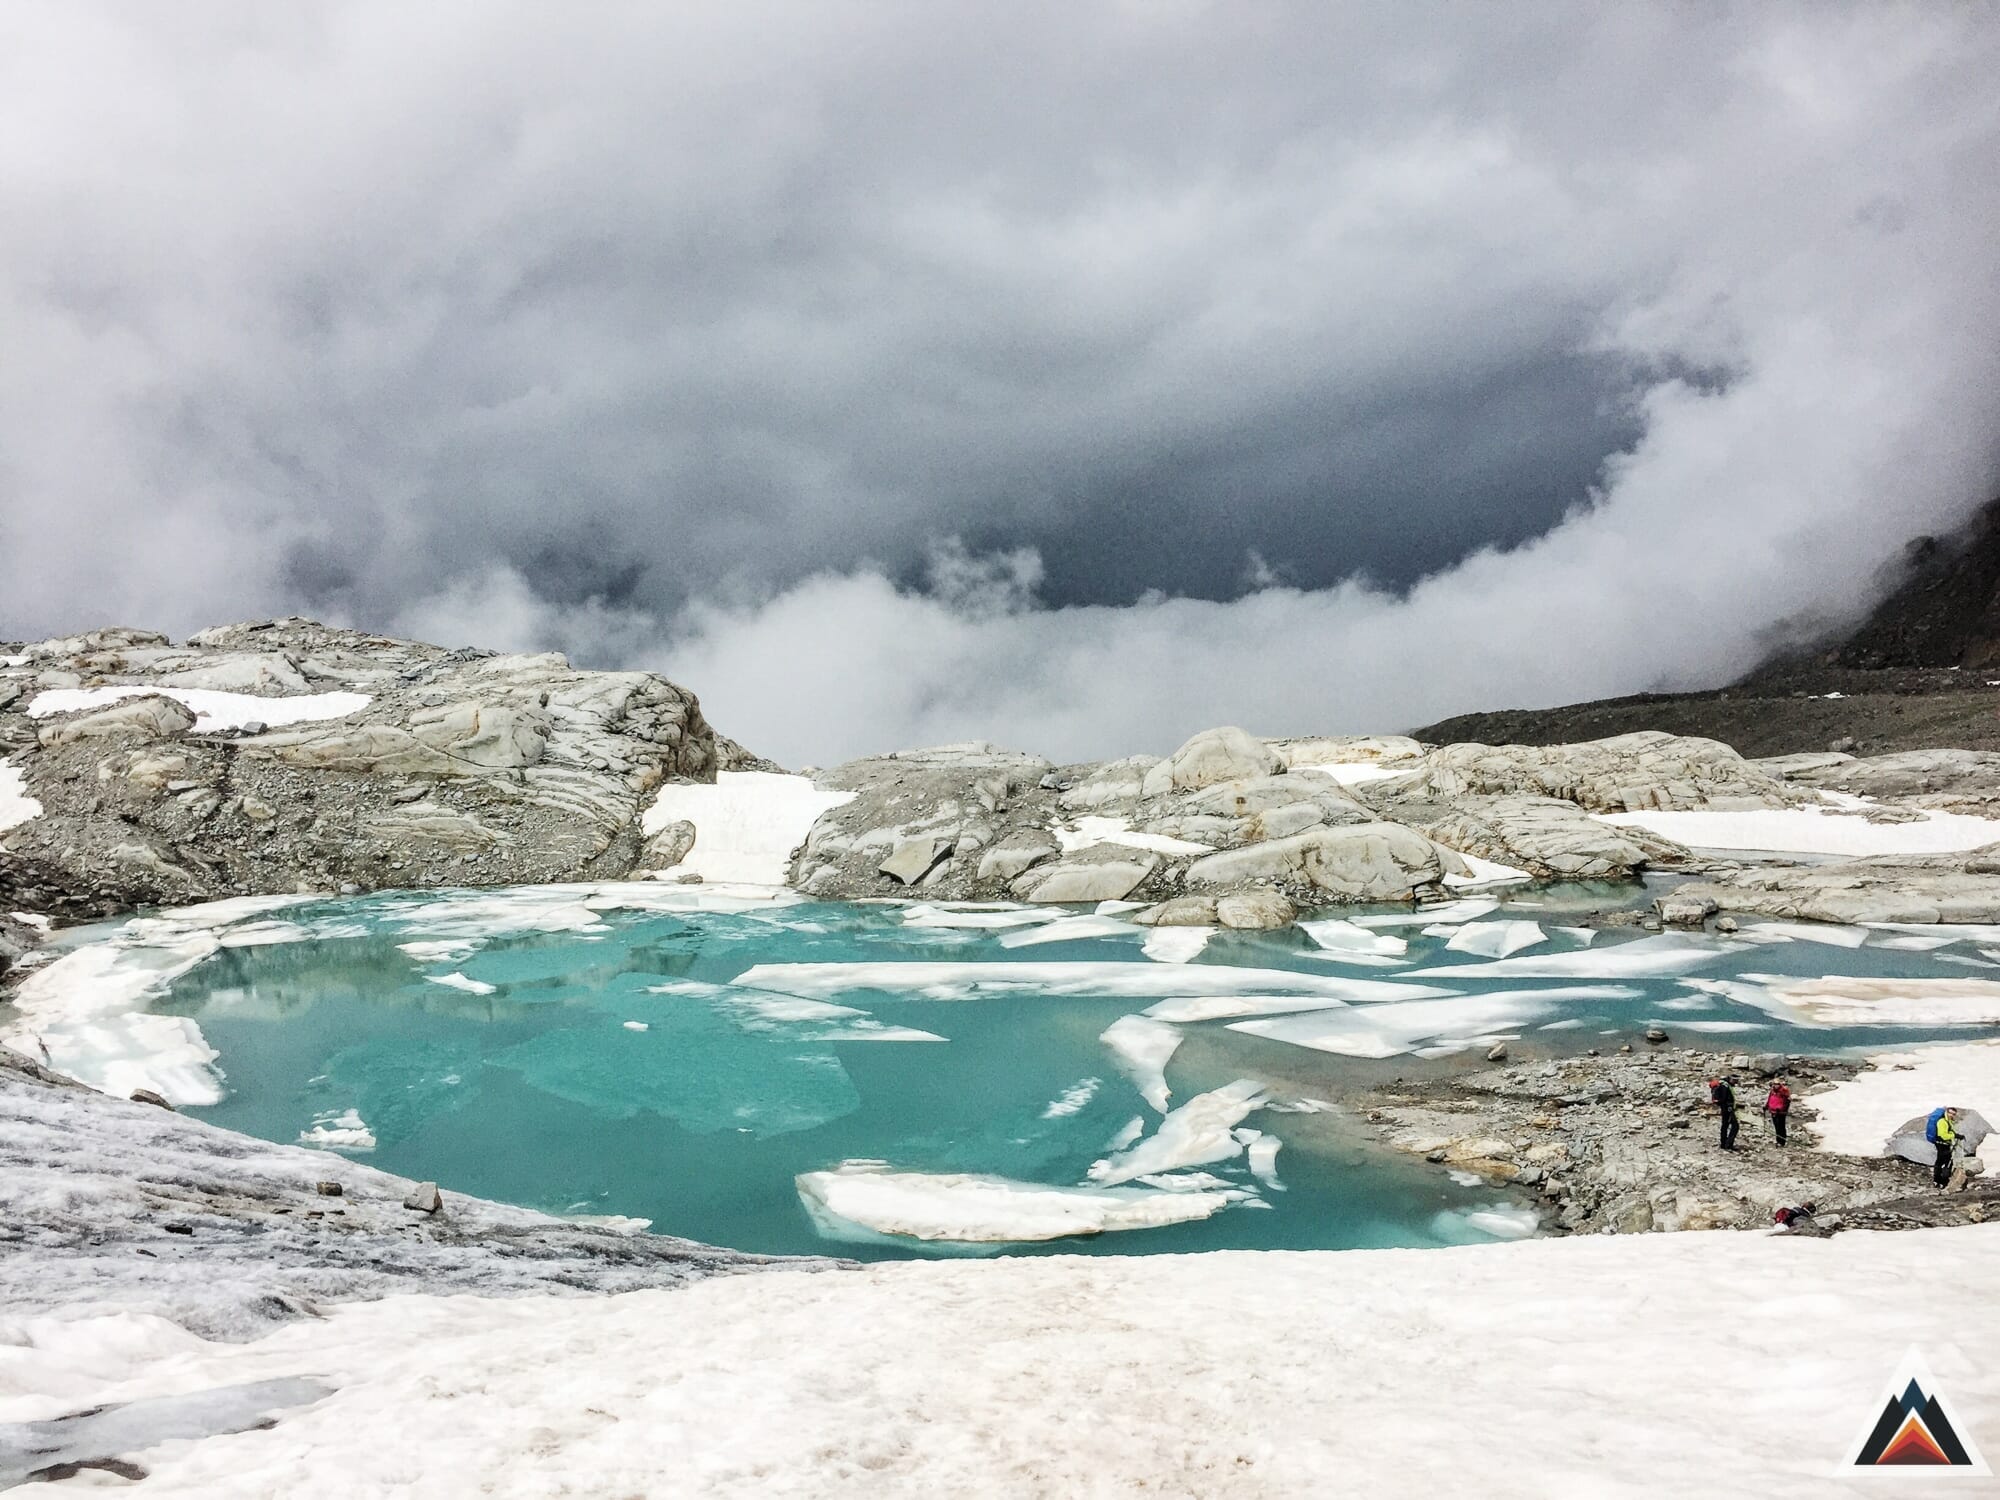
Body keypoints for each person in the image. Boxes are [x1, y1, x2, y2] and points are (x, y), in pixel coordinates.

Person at [1925, 1105, 1960, 1189]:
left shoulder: (1947, 1121)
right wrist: (1954, 1135)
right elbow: (1943, 1135)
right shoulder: (1942, 1121)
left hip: (1941, 1143)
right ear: (1946, 1112)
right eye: (1950, 1113)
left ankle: (1937, 1181)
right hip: (1942, 1143)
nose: (1951, 1115)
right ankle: (1943, 1182)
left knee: (1940, 1161)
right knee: (1947, 1162)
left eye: (1953, 1114)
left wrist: (1954, 1135)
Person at [1711, 1076, 1740, 1151]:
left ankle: (1724, 1143)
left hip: (1725, 1108)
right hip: (1727, 1109)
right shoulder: (1725, 1086)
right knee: (1735, 1126)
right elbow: (1724, 1098)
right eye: (1735, 1081)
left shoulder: (1723, 1084)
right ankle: (1728, 1144)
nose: (1736, 1083)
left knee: (1725, 1125)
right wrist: (1729, 1106)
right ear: (1731, 1079)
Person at [1765, 1079, 1792, 1146]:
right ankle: (1778, 1140)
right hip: (1773, 1111)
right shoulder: (1772, 1091)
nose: (1775, 1085)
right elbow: (1769, 1099)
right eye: (1774, 1084)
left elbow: (1787, 1102)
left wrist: (1782, 1109)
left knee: (1781, 1126)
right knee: (1776, 1126)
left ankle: (1782, 1141)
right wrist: (1766, 1106)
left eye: (1777, 1084)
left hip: (1780, 1112)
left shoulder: (1784, 1091)